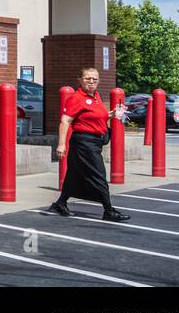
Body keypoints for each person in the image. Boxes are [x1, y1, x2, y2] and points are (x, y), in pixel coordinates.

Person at [49, 67, 130, 221]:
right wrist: (61, 144)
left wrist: (113, 114)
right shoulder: (76, 98)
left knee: (74, 174)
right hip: (84, 143)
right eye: (87, 78)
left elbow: (97, 117)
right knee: (99, 175)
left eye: (94, 79)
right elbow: (65, 120)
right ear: (80, 80)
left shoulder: (96, 96)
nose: (91, 82)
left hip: (95, 141)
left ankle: (60, 203)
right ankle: (108, 210)